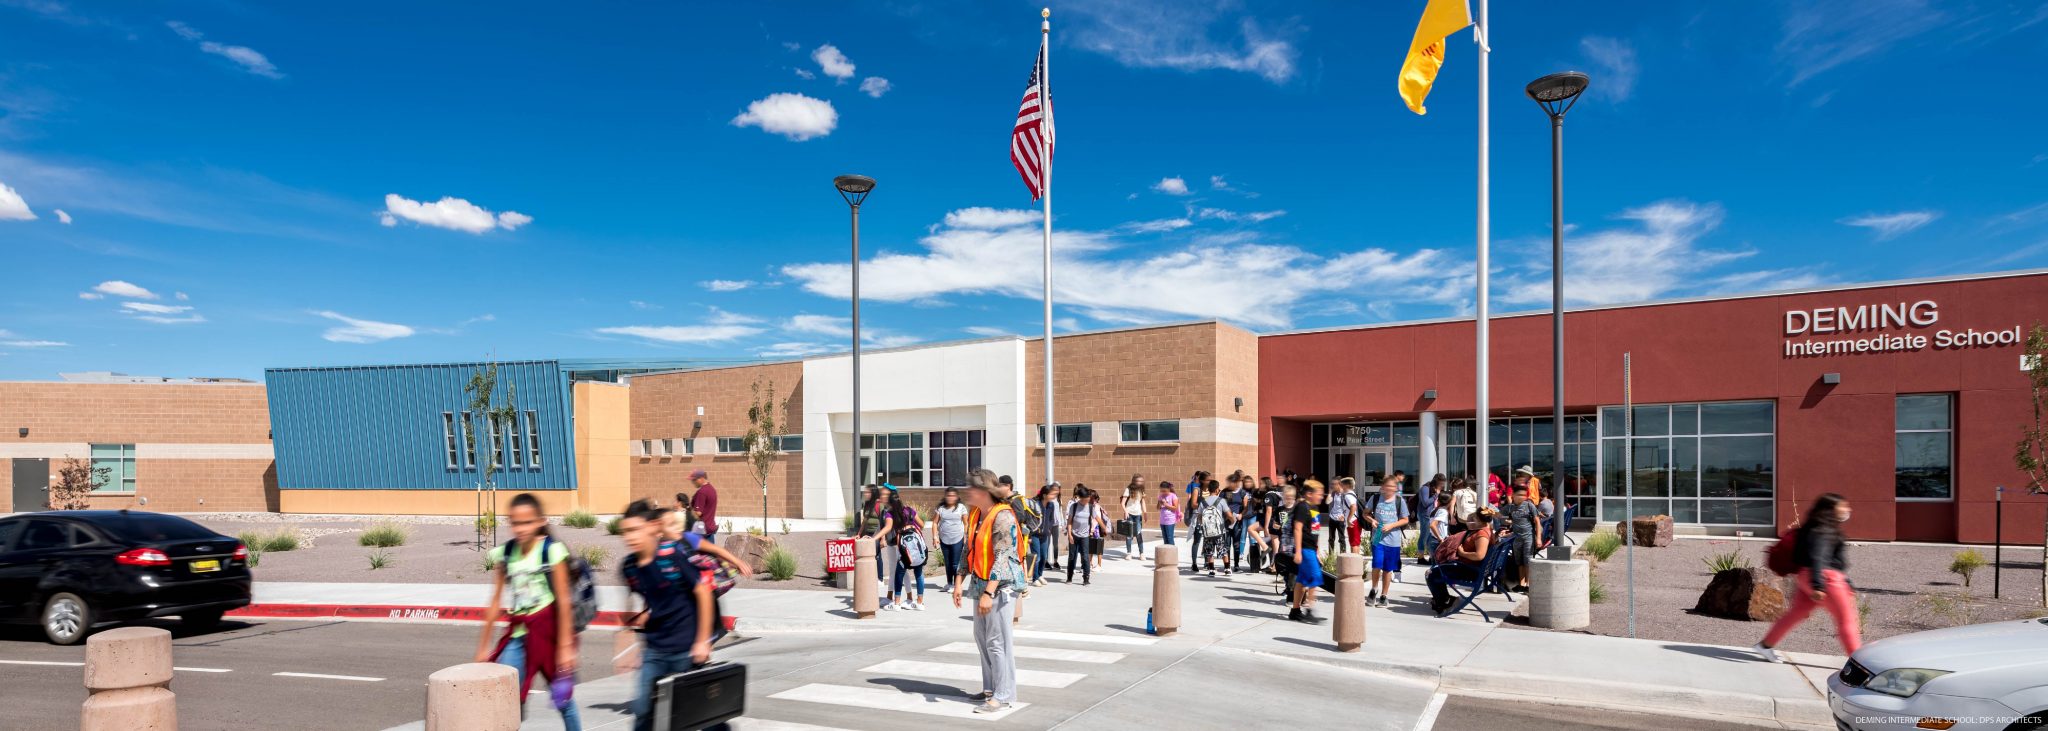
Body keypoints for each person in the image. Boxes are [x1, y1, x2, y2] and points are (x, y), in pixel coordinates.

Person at [475, 493, 582, 731]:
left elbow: (564, 602)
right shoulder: (506, 554)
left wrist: (565, 648)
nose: (520, 528)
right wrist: (484, 646)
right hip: (517, 635)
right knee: (508, 696)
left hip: (548, 635)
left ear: (540, 521)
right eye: (514, 522)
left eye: (526, 522)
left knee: (563, 699)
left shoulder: (551, 551)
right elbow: (495, 600)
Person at [617, 500, 722, 731]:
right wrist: (632, 642)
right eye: (625, 531)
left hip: (686, 649)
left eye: (635, 529)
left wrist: (703, 641)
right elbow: (646, 602)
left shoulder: (671, 554)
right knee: (644, 711)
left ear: (654, 527)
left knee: (696, 712)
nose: (629, 537)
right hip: (654, 650)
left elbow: (703, 593)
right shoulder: (629, 567)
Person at [1755, 494, 1861, 661]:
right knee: (1846, 620)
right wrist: (1818, 585)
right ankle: (1859, 663)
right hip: (1825, 579)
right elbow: (1818, 557)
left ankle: (1765, 645)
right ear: (1831, 510)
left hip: (1806, 576)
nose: (1848, 510)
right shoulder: (1824, 531)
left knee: (1795, 614)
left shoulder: (1811, 528)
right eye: (1843, 507)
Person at [956, 469, 1024, 714]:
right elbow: (968, 548)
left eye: (971, 488)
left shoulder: (1002, 516)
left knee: (998, 641)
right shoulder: (976, 514)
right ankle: (990, 689)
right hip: (980, 581)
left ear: (984, 491)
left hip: (1000, 585)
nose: (967, 492)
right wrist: (958, 580)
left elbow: (1003, 556)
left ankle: (1003, 694)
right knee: (982, 638)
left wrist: (989, 593)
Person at [1428, 508, 1498, 614]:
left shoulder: (1482, 534)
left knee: (1431, 574)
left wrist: (1462, 553)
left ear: (1480, 521)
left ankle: (1444, 602)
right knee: (1436, 571)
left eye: (1473, 519)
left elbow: (1479, 555)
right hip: (1473, 568)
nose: (1470, 522)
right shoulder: (1485, 530)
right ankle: (1445, 600)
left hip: (1471, 571)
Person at [1361, 477, 1411, 608]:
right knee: (1376, 565)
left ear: (1395, 488)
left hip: (1393, 539)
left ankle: (1384, 596)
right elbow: (1365, 513)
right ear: (1382, 487)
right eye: (1386, 486)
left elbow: (1405, 519)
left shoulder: (1400, 501)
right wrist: (1371, 520)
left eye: (1391, 486)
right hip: (1377, 536)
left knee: (1388, 569)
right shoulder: (1376, 499)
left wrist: (1392, 525)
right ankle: (1374, 589)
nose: (1389, 489)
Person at [1288, 480, 1326, 623]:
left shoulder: (1314, 508)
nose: (1322, 496)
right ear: (1309, 494)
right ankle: (1309, 610)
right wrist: (1298, 551)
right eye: (1319, 494)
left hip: (1311, 549)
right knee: (1314, 577)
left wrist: (1317, 551)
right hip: (1303, 548)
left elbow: (1315, 530)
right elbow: (1297, 528)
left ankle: (1295, 611)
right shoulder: (1302, 507)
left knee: (1302, 581)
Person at [884, 489, 929, 611]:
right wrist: (911, 525)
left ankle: (896, 603)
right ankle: (919, 602)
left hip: (903, 547)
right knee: (919, 572)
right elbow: (922, 524)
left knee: (900, 573)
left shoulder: (890, 514)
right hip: (916, 544)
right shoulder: (909, 510)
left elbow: (888, 527)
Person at [1504, 484, 1544, 592]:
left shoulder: (1529, 505)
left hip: (1528, 537)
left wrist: (1538, 538)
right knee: (1519, 562)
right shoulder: (1511, 507)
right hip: (1517, 539)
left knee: (1528, 561)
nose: (1522, 497)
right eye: (1519, 494)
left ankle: (1528, 584)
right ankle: (1521, 584)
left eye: (1524, 495)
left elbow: (1537, 521)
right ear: (1513, 495)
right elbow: (1499, 514)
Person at [1065, 486, 1107, 584]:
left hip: (1085, 536)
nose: (1086, 501)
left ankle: (1086, 578)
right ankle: (1069, 577)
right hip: (1074, 535)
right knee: (1072, 556)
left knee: (1085, 557)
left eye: (1088, 499)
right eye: (1084, 499)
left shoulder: (1090, 507)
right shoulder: (1074, 506)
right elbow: (1069, 522)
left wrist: (1104, 527)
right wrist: (1069, 535)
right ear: (1080, 498)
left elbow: (1097, 518)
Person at [935, 488, 969, 593]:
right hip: (944, 538)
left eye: (953, 495)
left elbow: (966, 523)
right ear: (945, 496)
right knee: (948, 563)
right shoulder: (941, 508)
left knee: (955, 563)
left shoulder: (961, 508)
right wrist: (935, 537)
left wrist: (965, 536)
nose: (950, 498)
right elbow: (935, 523)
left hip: (958, 538)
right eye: (948, 495)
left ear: (957, 497)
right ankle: (949, 583)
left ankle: (956, 585)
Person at [1029, 484, 1061, 586]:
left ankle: (1039, 575)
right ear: (1044, 495)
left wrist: (1049, 529)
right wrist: (1029, 535)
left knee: (1044, 556)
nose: (1053, 497)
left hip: (1045, 535)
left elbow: (1051, 519)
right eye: (1051, 494)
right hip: (1035, 534)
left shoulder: (1051, 505)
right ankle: (1035, 578)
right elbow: (1029, 520)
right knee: (1036, 557)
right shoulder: (1036, 505)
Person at [1197, 480, 1230, 575]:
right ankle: (1227, 569)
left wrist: (1203, 524)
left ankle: (1211, 570)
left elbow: (1199, 516)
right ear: (1217, 490)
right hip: (1219, 530)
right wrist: (1230, 521)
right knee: (1223, 549)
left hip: (1208, 531)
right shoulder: (1221, 500)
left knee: (1209, 550)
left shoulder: (1203, 502)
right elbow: (1228, 514)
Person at [1223, 476, 1251, 571]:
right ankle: (1227, 566)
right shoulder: (1224, 492)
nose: (1229, 484)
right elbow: (1219, 504)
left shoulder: (1242, 492)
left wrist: (1241, 515)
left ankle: (1236, 565)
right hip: (1226, 521)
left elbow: (1246, 507)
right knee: (1226, 544)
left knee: (1236, 544)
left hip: (1237, 521)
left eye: (1231, 482)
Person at [1184, 470, 1210, 572]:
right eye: (1207, 480)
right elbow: (1193, 504)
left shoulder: (1211, 489)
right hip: (1198, 516)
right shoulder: (1196, 490)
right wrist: (1205, 505)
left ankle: (1207, 562)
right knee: (1197, 540)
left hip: (1209, 518)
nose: (1209, 481)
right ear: (1202, 480)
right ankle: (1194, 563)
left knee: (1208, 541)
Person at [1326, 477, 1359, 554]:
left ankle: (1342, 554)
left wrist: (1344, 516)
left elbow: (1350, 506)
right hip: (1332, 517)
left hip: (1341, 519)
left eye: (1334, 484)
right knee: (1331, 538)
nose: (1332, 485)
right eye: (1332, 484)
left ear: (1339, 484)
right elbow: (1327, 502)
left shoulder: (1344, 494)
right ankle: (1331, 555)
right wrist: (1330, 492)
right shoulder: (1334, 493)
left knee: (1341, 538)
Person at [686, 469, 720, 544]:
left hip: (701, 532)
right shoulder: (711, 489)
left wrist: (686, 511)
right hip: (709, 529)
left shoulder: (702, 492)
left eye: (694, 480)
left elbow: (698, 513)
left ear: (701, 478)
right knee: (710, 554)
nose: (693, 482)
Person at [1120, 476, 1148, 560]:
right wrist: (1125, 511)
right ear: (1134, 481)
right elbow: (1122, 503)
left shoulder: (1141, 490)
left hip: (1138, 514)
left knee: (1138, 533)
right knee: (1129, 535)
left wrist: (1145, 513)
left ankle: (1141, 553)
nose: (1141, 482)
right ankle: (1129, 553)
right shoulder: (1128, 489)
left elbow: (1142, 502)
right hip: (1130, 514)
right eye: (1139, 481)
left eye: (1142, 481)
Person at [1422, 491, 1451, 566]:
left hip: (1432, 539)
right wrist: (1440, 539)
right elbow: (1433, 525)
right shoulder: (1443, 512)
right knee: (1439, 566)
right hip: (1437, 541)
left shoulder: (1435, 510)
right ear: (1448, 502)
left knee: (1435, 565)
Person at [1156, 480, 1181, 548]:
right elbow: (1158, 507)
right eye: (1162, 491)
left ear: (1169, 489)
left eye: (1165, 491)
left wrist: (1166, 505)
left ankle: (1172, 555)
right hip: (1162, 520)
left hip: (1170, 520)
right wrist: (1160, 504)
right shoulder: (1160, 496)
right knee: (1165, 538)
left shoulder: (1173, 496)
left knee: (1170, 538)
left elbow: (1175, 507)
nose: (1163, 493)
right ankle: (1166, 555)